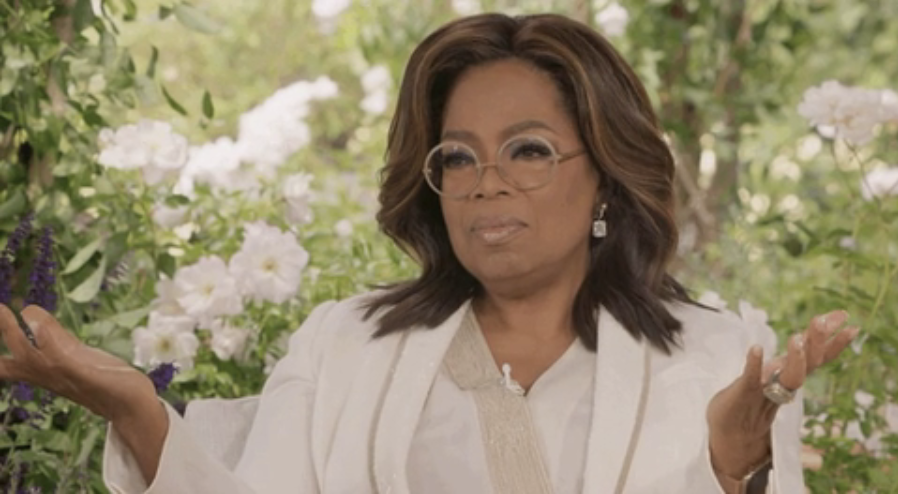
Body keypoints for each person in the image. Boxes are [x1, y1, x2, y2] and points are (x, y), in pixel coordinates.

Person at [0, 12, 857, 494]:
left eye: (527, 149)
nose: (487, 182)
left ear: (604, 176)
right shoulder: (344, 344)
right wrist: (131, 407)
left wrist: (729, 471)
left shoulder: (713, 357)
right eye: (457, 155)